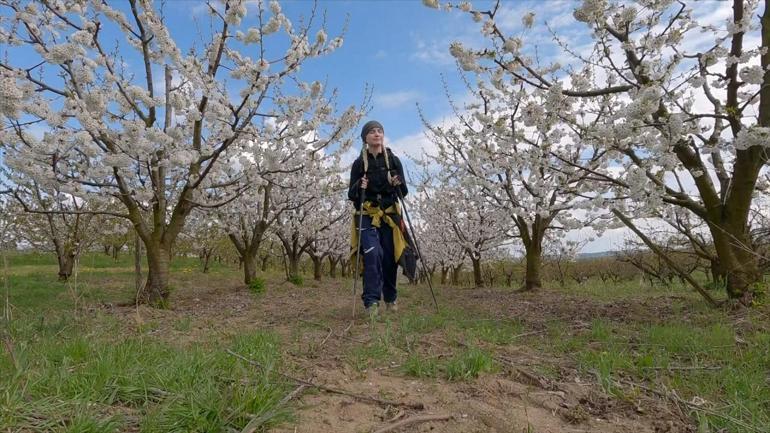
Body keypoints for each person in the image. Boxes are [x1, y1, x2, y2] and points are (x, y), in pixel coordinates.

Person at [348, 120, 408, 317]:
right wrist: (360, 186)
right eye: (372, 131)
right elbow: (351, 194)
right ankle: (371, 302)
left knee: (389, 258)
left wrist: (397, 182)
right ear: (365, 138)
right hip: (367, 214)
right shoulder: (359, 164)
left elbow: (404, 192)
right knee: (373, 255)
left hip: (389, 214)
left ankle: (390, 298)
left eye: (379, 131)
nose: (376, 134)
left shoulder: (394, 161)